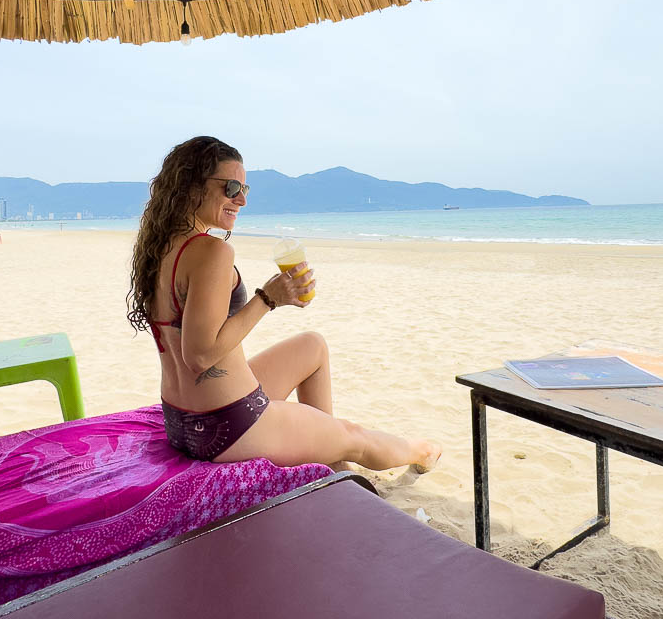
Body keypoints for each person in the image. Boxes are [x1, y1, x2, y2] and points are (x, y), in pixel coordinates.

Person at [128, 136, 441, 472]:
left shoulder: (161, 247)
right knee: (354, 436)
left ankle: (332, 465)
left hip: (182, 421)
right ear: (192, 185)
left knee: (312, 346)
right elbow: (200, 356)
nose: (241, 200)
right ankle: (421, 452)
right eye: (231, 187)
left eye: (245, 189)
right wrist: (268, 298)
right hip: (229, 426)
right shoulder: (211, 251)